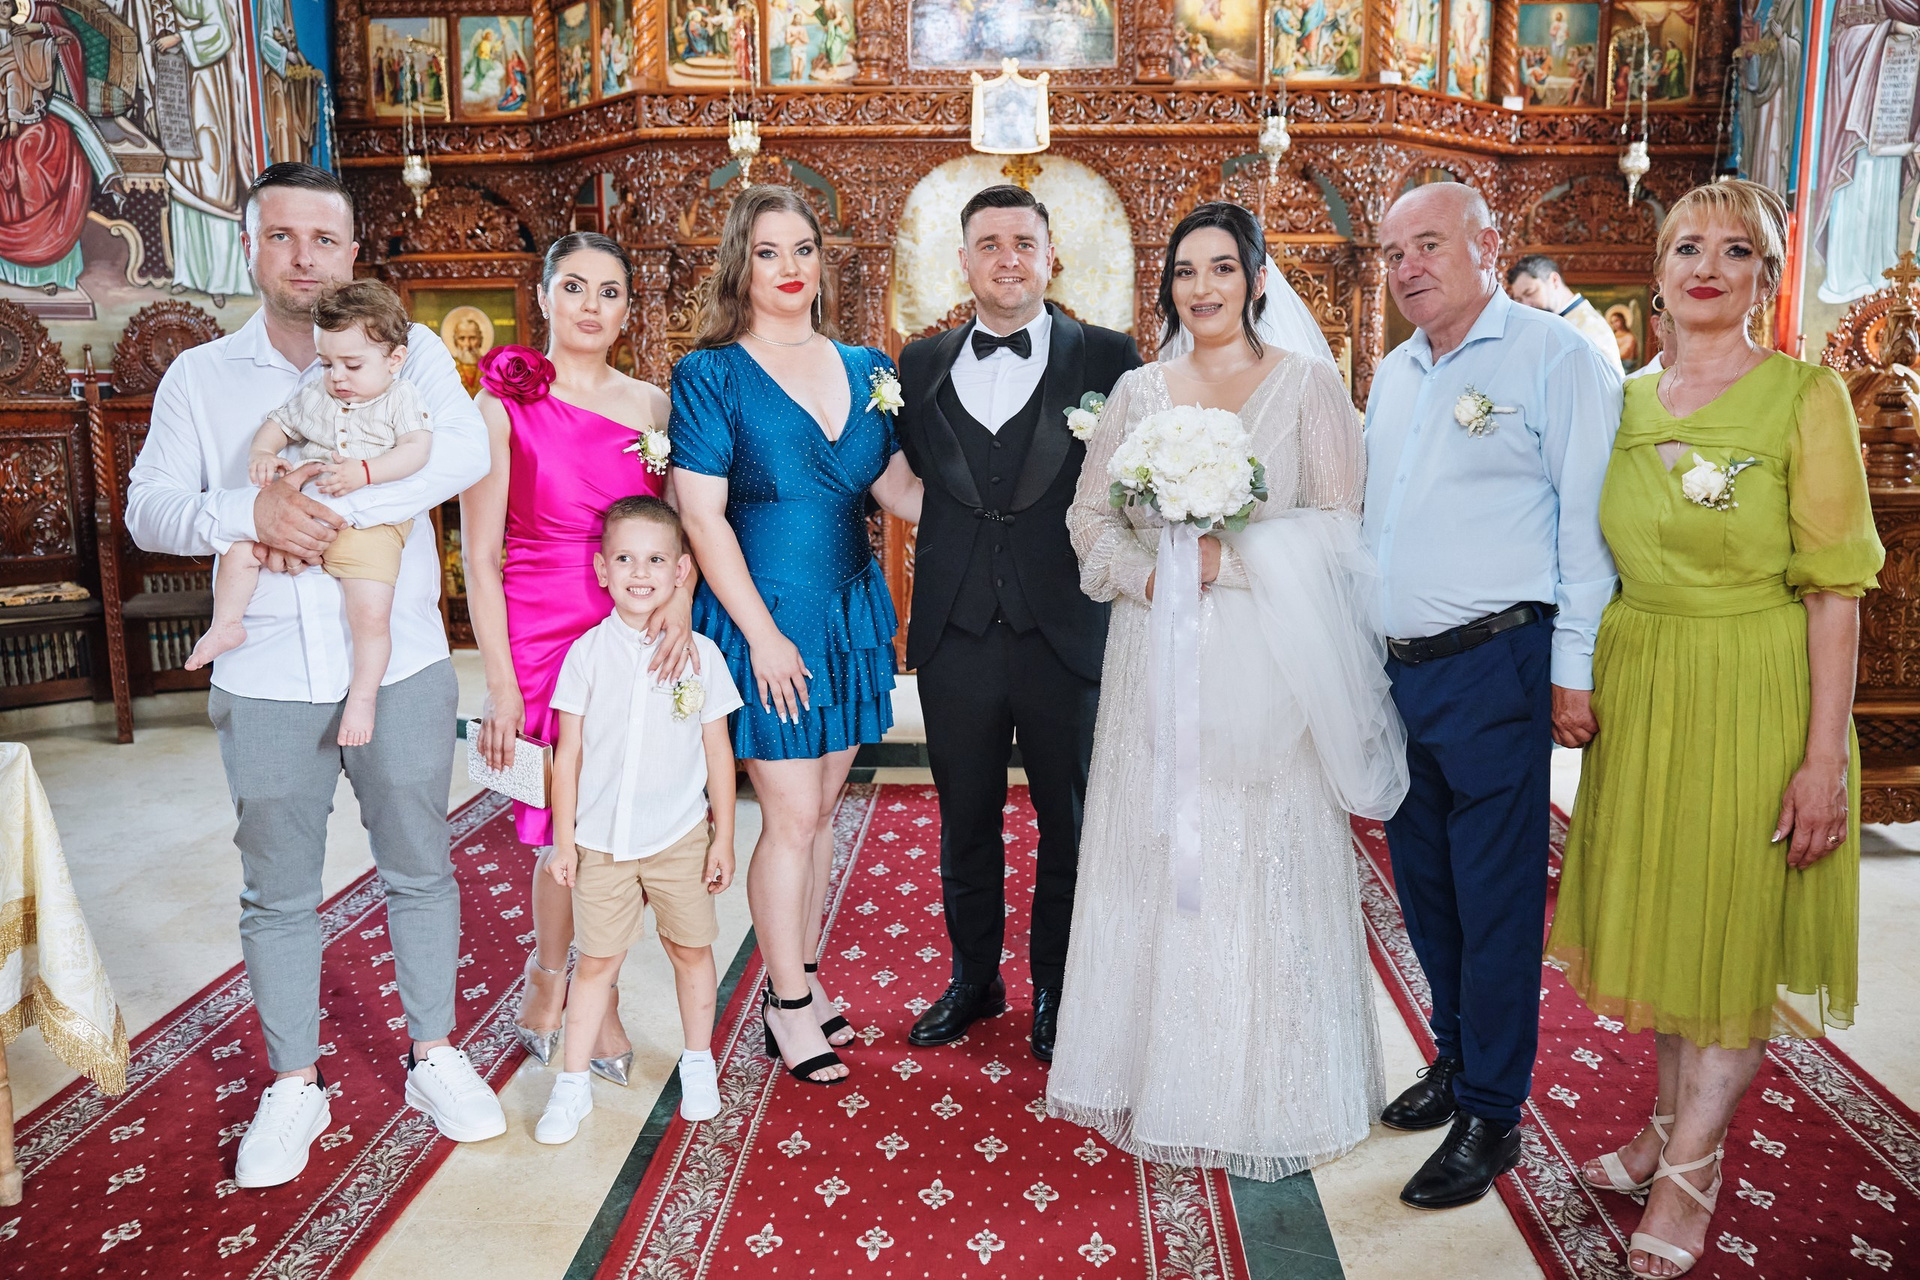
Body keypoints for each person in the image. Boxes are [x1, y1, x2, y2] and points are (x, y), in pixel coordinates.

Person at [124, 161, 506, 1189]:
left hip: (401, 660)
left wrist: (334, 512)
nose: (304, 257)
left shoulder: (416, 351)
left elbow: (461, 455)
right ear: (252, 248)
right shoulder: (201, 377)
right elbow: (150, 508)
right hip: (262, 671)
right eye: (282, 236)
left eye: (324, 239)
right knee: (277, 887)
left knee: (419, 862)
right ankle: (295, 1080)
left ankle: (434, 1053)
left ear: (352, 251)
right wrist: (251, 513)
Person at [1548, 179, 1884, 1278]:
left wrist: (1823, 760)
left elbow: (1835, 592)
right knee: (1673, 921)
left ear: (1765, 278)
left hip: (1755, 689)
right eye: (1687, 246)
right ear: (1655, 274)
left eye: (1735, 251)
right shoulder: (1622, 401)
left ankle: (1690, 1172)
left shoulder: (1804, 397)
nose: (1707, 265)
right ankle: (1662, 1124)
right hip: (1647, 688)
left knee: (1733, 931)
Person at [1046, 202, 1403, 1178]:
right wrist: (1150, 575)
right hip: (1152, 647)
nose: (1201, 288)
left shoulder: (1309, 386)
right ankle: (1155, 1072)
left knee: (1258, 851)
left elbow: (1341, 524)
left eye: (1220, 268)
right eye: (1184, 271)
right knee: (1155, 844)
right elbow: (1089, 517)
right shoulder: (1138, 392)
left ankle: (1268, 1085)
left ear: (1255, 279)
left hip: (1266, 654)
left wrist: (1225, 562)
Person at [1364, 182, 1622, 1209]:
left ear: (1487, 244)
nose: (1408, 268)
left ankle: (1492, 1111)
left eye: (1428, 245)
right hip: (1400, 668)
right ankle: (1455, 1055)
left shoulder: (1556, 358)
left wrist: (1575, 670)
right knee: (1425, 886)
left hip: (1498, 661)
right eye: (1393, 253)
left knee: (1495, 896)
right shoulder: (1395, 372)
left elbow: (1587, 525)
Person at [671, 184, 923, 1085]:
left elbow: (897, 491)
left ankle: (806, 981)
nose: (789, 268)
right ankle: (781, 1006)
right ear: (741, 264)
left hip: (851, 615)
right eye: (769, 251)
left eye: (804, 249)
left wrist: (1004, 498)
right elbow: (701, 516)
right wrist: (762, 637)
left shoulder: (867, 366)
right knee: (787, 818)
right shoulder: (711, 374)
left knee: (819, 814)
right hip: (764, 615)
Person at [893, 184, 1140, 1062]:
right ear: (963, 261)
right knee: (964, 818)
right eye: (990, 244)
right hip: (955, 631)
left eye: (1023, 243)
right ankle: (974, 979)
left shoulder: (1109, 357)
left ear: (1050, 256)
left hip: (1065, 628)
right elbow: (907, 477)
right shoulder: (918, 363)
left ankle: (1059, 990)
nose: (1008, 259)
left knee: (1070, 822)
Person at [462, 230, 697, 1081]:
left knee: (622, 814)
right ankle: (557, 980)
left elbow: (681, 530)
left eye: (609, 292)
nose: (591, 306)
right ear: (544, 296)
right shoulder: (500, 405)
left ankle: (583, 987)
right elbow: (479, 556)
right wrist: (499, 683)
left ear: (629, 309)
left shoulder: (655, 407)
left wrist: (678, 604)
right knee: (564, 824)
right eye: (574, 287)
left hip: (633, 622)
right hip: (541, 629)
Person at [535, 497, 744, 1142]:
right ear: (602, 570)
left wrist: (724, 838)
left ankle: (699, 1062)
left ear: (681, 571)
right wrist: (564, 842)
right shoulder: (586, 655)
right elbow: (568, 754)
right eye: (624, 558)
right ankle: (572, 1086)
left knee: (691, 950)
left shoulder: (703, 655)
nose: (640, 572)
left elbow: (717, 751)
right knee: (597, 961)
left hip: (678, 836)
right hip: (600, 842)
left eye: (656, 560)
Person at [186, 281, 434, 747]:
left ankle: (363, 697)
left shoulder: (401, 397)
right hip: (305, 514)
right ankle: (226, 625)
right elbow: (278, 424)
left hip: (368, 528)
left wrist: (366, 471)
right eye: (326, 363)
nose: (337, 376)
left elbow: (416, 450)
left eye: (352, 365)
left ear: (394, 359)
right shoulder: (318, 395)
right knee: (239, 549)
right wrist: (263, 453)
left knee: (371, 615)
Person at [1506, 254, 1626, 375]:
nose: (1525, 305)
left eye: (1530, 293)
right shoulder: (1554, 320)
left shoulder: (1589, 326)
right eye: (1519, 300)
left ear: (1554, 280)